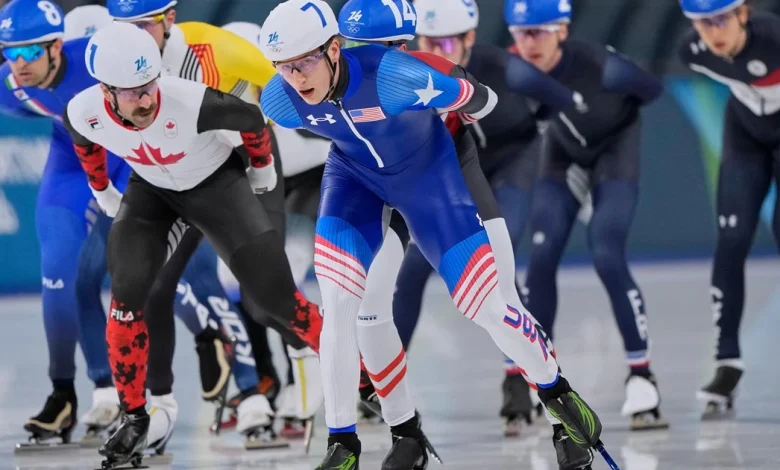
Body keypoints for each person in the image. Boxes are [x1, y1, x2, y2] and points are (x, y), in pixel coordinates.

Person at [260, 1, 605, 469]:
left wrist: (452, 97)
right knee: (348, 307)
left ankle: (558, 400)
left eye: (305, 63)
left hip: (435, 178)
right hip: (358, 180)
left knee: (489, 303)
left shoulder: (403, 73)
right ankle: (362, 440)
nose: (297, 78)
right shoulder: (280, 99)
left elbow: (484, 101)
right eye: (286, 67)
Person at [62, 22, 321, 467]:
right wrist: (102, 189)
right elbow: (85, 141)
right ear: (105, 91)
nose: (146, 100)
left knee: (274, 300)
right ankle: (136, 415)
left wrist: (262, 171)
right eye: (132, 94)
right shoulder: (82, 110)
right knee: (126, 298)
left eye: (149, 87)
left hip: (216, 187)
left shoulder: (188, 99)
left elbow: (253, 119)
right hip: (153, 193)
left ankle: (359, 374)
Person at [339, 0, 584, 439]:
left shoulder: (497, 67)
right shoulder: (380, 74)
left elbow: (559, 98)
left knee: (500, 290)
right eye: (433, 41)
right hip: (434, 175)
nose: (441, 48)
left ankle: (530, 390)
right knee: (408, 276)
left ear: (470, 38)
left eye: (449, 41)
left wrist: (533, 133)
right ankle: (376, 385)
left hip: (499, 168)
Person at [505, 0, 667, 431]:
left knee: (608, 253)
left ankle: (642, 376)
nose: (529, 43)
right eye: (521, 33)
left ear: (563, 30)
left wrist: (625, 88)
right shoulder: (514, 70)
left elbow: (654, 90)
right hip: (562, 160)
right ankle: (533, 378)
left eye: (539, 32)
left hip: (615, 152)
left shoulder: (602, 66)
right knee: (538, 263)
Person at [0, 0, 127, 445]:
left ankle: (252, 382)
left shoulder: (99, 56)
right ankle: (65, 393)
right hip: (73, 161)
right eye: (9, 52)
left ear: (57, 47)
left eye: (30, 53)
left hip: (133, 158)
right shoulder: (11, 85)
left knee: (168, 280)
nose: (19, 64)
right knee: (59, 275)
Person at [221, 19, 331, 438]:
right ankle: (265, 376)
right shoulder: (218, 103)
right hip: (269, 191)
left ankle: (317, 380)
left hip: (313, 185)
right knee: (235, 288)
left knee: (278, 290)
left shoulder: (292, 98)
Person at [677, 0, 780, 419]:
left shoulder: (774, 39)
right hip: (745, 135)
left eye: (720, 19)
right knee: (731, 239)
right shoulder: (693, 52)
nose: (712, 32)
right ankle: (727, 363)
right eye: (702, 23)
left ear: (743, 13)